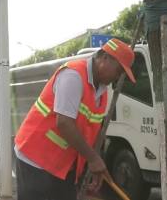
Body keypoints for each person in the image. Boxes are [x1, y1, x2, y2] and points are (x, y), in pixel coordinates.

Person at [14, 38, 136, 200]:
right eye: (119, 71)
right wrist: (93, 159)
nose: (118, 77)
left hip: (61, 164)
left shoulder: (102, 91)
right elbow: (64, 123)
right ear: (105, 58)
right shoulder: (73, 76)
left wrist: (93, 164)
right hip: (36, 158)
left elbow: (93, 131)